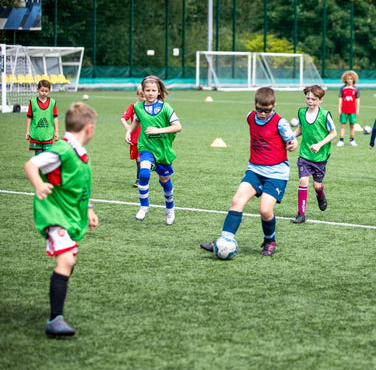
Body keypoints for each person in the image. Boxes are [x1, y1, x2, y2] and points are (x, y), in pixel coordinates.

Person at [24, 102, 99, 337]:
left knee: (70, 262)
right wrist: (38, 184)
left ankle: (56, 310)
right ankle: (54, 320)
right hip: (54, 214)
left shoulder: (78, 152)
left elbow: (78, 186)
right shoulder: (64, 149)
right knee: (65, 261)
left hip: (70, 214)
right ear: (88, 129)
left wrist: (88, 209)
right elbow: (31, 164)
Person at [200, 87, 298, 256]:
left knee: (265, 210)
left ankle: (270, 241)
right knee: (237, 201)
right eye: (259, 109)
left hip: (276, 173)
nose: (263, 114)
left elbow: (292, 141)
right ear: (255, 104)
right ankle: (224, 240)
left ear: (274, 106)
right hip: (254, 169)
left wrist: (292, 145)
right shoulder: (250, 117)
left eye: (267, 110)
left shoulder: (280, 123)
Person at [125, 75, 182, 225]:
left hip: (163, 150)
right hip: (146, 147)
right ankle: (144, 206)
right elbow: (137, 120)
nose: (150, 93)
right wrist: (129, 131)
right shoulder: (138, 106)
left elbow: (178, 127)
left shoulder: (165, 107)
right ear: (142, 91)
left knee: (165, 181)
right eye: (147, 90)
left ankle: (170, 208)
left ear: (158, 92)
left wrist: (158, 130)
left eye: (153, 90)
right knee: (143, 172)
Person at [291, 85, 337, 224]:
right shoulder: (301, 112)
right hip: (305, 154)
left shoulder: (325, 115)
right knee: (303, 181)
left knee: (317, 185)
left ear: (320, 100)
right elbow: (300, 129)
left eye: (313, 99)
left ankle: (320, 194)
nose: (310, 101)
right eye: (308, 98)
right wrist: (291, 137)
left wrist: (319, 145)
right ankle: (301, 214)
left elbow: (333, 133)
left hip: (320, 156)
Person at [25, 79, 59, 154]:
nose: (44, 93)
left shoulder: (52, 102)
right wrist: (27, 131)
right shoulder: (32, 102)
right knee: (38, 157)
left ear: (49, 91)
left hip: (48, 134)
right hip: (36, 135)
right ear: (37, 89)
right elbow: (29, 117)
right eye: (42, 91)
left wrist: (56, 132)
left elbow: (55, 117)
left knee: (47, 157)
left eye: (46, 91)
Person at [120, 85, 145, 187]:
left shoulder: (150, 107)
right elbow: (123, 118)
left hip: (146, 138)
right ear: (137, 95)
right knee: (138, 159)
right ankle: (141, 177)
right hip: (135, 138)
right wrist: (128, 129)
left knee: (140, 159)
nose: (143, 98)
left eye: (145, 96)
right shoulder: (133, 106)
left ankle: (139, 180)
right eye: (141, 96)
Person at [336, 70, 360, 147]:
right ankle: (341, 140)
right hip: (344, 110)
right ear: (345, 79)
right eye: (348, 79)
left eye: (351, 79)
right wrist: (339, 108)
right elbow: (340, 98)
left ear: (354, 79)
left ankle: (352, 140)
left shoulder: (356, 88)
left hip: (352, 110)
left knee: (352, 125)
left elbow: (358, 100)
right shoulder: (342, 88)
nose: (349, 80)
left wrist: (357, 109)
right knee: (343, 125)